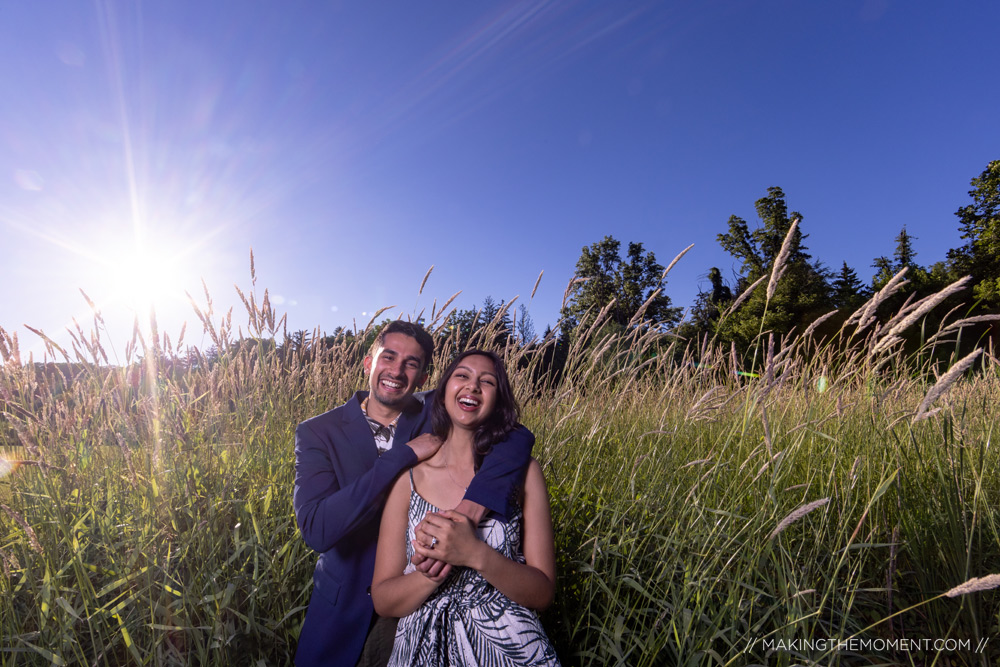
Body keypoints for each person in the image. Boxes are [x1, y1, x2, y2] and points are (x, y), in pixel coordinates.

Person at [293, 322, 534, 667]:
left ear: (423, 377)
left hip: (418, 606)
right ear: (368, 362)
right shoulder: (318, 432)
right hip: (342, 610)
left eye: (411, 363)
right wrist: (401, 456)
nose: (396, 370)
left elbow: (515, 434)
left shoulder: (435, 412)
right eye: (388, 357)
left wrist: (472, 506)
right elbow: (318, 530)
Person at [371, 349, 560, 666]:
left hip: (509, 649)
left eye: (487, 382)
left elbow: (542, 594)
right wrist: (435, 569)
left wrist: (474, 553)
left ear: (497, 401)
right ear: (443, 389)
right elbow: (383, 600)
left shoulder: (524, 473)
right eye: (462, 376)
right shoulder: (409, 480)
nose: (472, 386)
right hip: (420, 648)